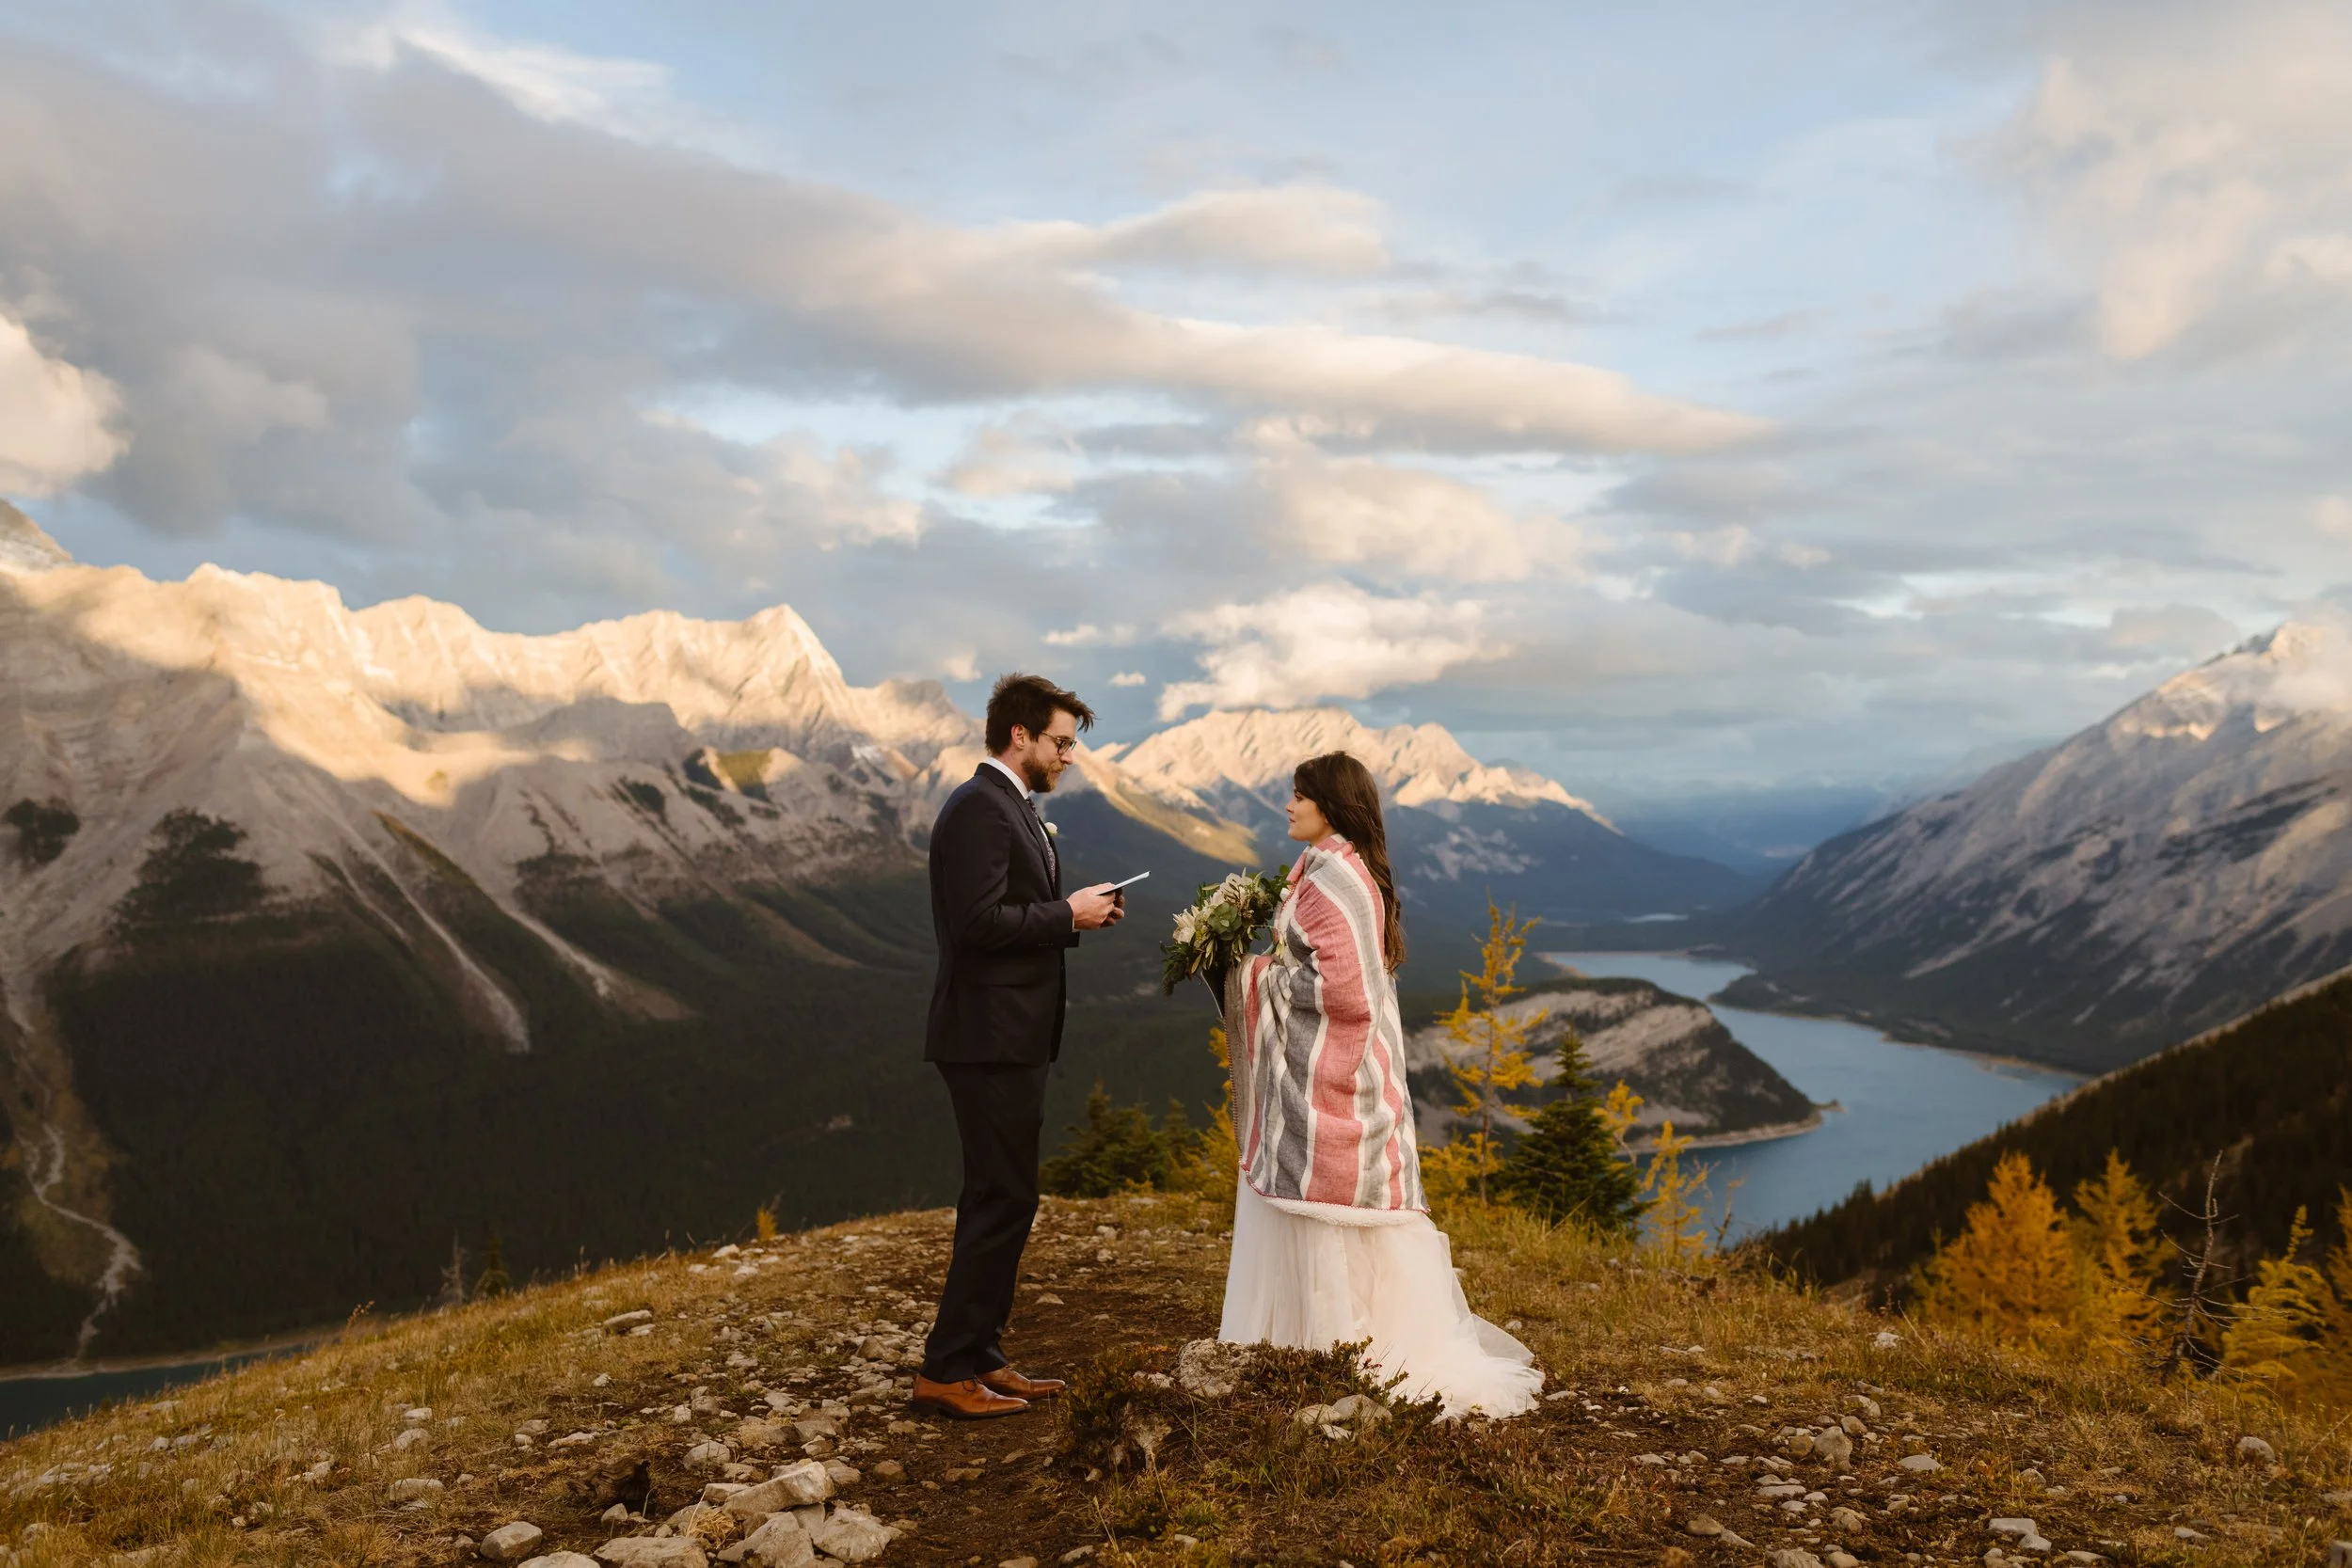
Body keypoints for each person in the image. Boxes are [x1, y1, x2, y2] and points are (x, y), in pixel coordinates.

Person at [1216, 751, 1542, 1419]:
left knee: (1334, 1217)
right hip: (1342, 1077)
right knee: (1336, 1221)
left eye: (1299, 794)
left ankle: (1340, 1348)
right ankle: (1316, 1347)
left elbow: (1347, 990)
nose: (1288, 804)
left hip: (1336, 1084)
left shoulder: (1333, 877)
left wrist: (1255, 979)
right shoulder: (1327, 868)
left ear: (1330, 804)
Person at [911, 673, 1130, 1420]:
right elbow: (975, 923)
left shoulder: (1010, 805)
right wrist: (1063, 912)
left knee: (1008, 1193)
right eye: (1061, 742)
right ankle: (945, 1368)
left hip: (1009, 1034)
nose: (1069, 756)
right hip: (986, 1035)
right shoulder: (980, 807)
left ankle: (983, 1354)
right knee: (999, 1196)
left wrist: (1074, 915)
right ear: (1020, 737)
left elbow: (1009, 910)